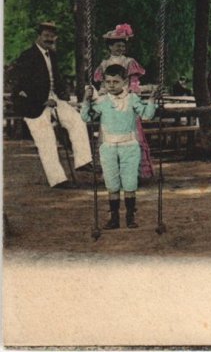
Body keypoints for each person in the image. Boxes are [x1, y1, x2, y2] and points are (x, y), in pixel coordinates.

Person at [10, 21, 92, 188]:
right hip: (33, 105)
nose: (49, 39)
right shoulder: (27, 56)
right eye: (46, 36)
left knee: (76, 120)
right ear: (38, 36)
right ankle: (58, 180)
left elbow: (57, 79)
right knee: (46, 140)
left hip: (54, 98)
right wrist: (41, 100)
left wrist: (64, 95)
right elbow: (19, 85)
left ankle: (83, 161)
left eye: (52, 36)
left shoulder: (53, 55)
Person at [81, 65, 160, 229]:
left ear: (125, 82)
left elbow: (147, 115)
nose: (111, 85)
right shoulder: (102, 101)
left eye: (115, 82)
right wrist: (86, 100)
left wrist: (152, 99)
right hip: (108, 146)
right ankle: (114, 218)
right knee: (112, 182)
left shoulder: (132, 99)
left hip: (129, 146)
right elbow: (86, 117)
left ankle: (130, 216)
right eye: (108, 82)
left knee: (130, 181)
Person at [92, 24, 154, 180]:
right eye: (116, 46)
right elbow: (102, 85)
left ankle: (134, 172)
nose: (120, 49)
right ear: (109, 47)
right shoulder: (104, 64)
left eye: (122, 46)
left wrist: (128, 94)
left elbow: (134, 83)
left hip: (126, 101)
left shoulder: (129, 62)